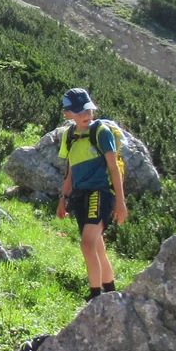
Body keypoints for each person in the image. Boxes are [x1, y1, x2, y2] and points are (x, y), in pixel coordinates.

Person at [54, 89, 127, 297]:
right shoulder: (69, 136)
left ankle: (95, 297)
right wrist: (63, 198)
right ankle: (111, 293)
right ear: (68, 114)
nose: (86, 115)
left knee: (87, 244)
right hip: (79, 195)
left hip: (101, 192)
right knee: (97, 247)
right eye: (79, 112)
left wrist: (120, 202)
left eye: (88, 110)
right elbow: (70, 170)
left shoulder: (101, 132)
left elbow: (113, 168)